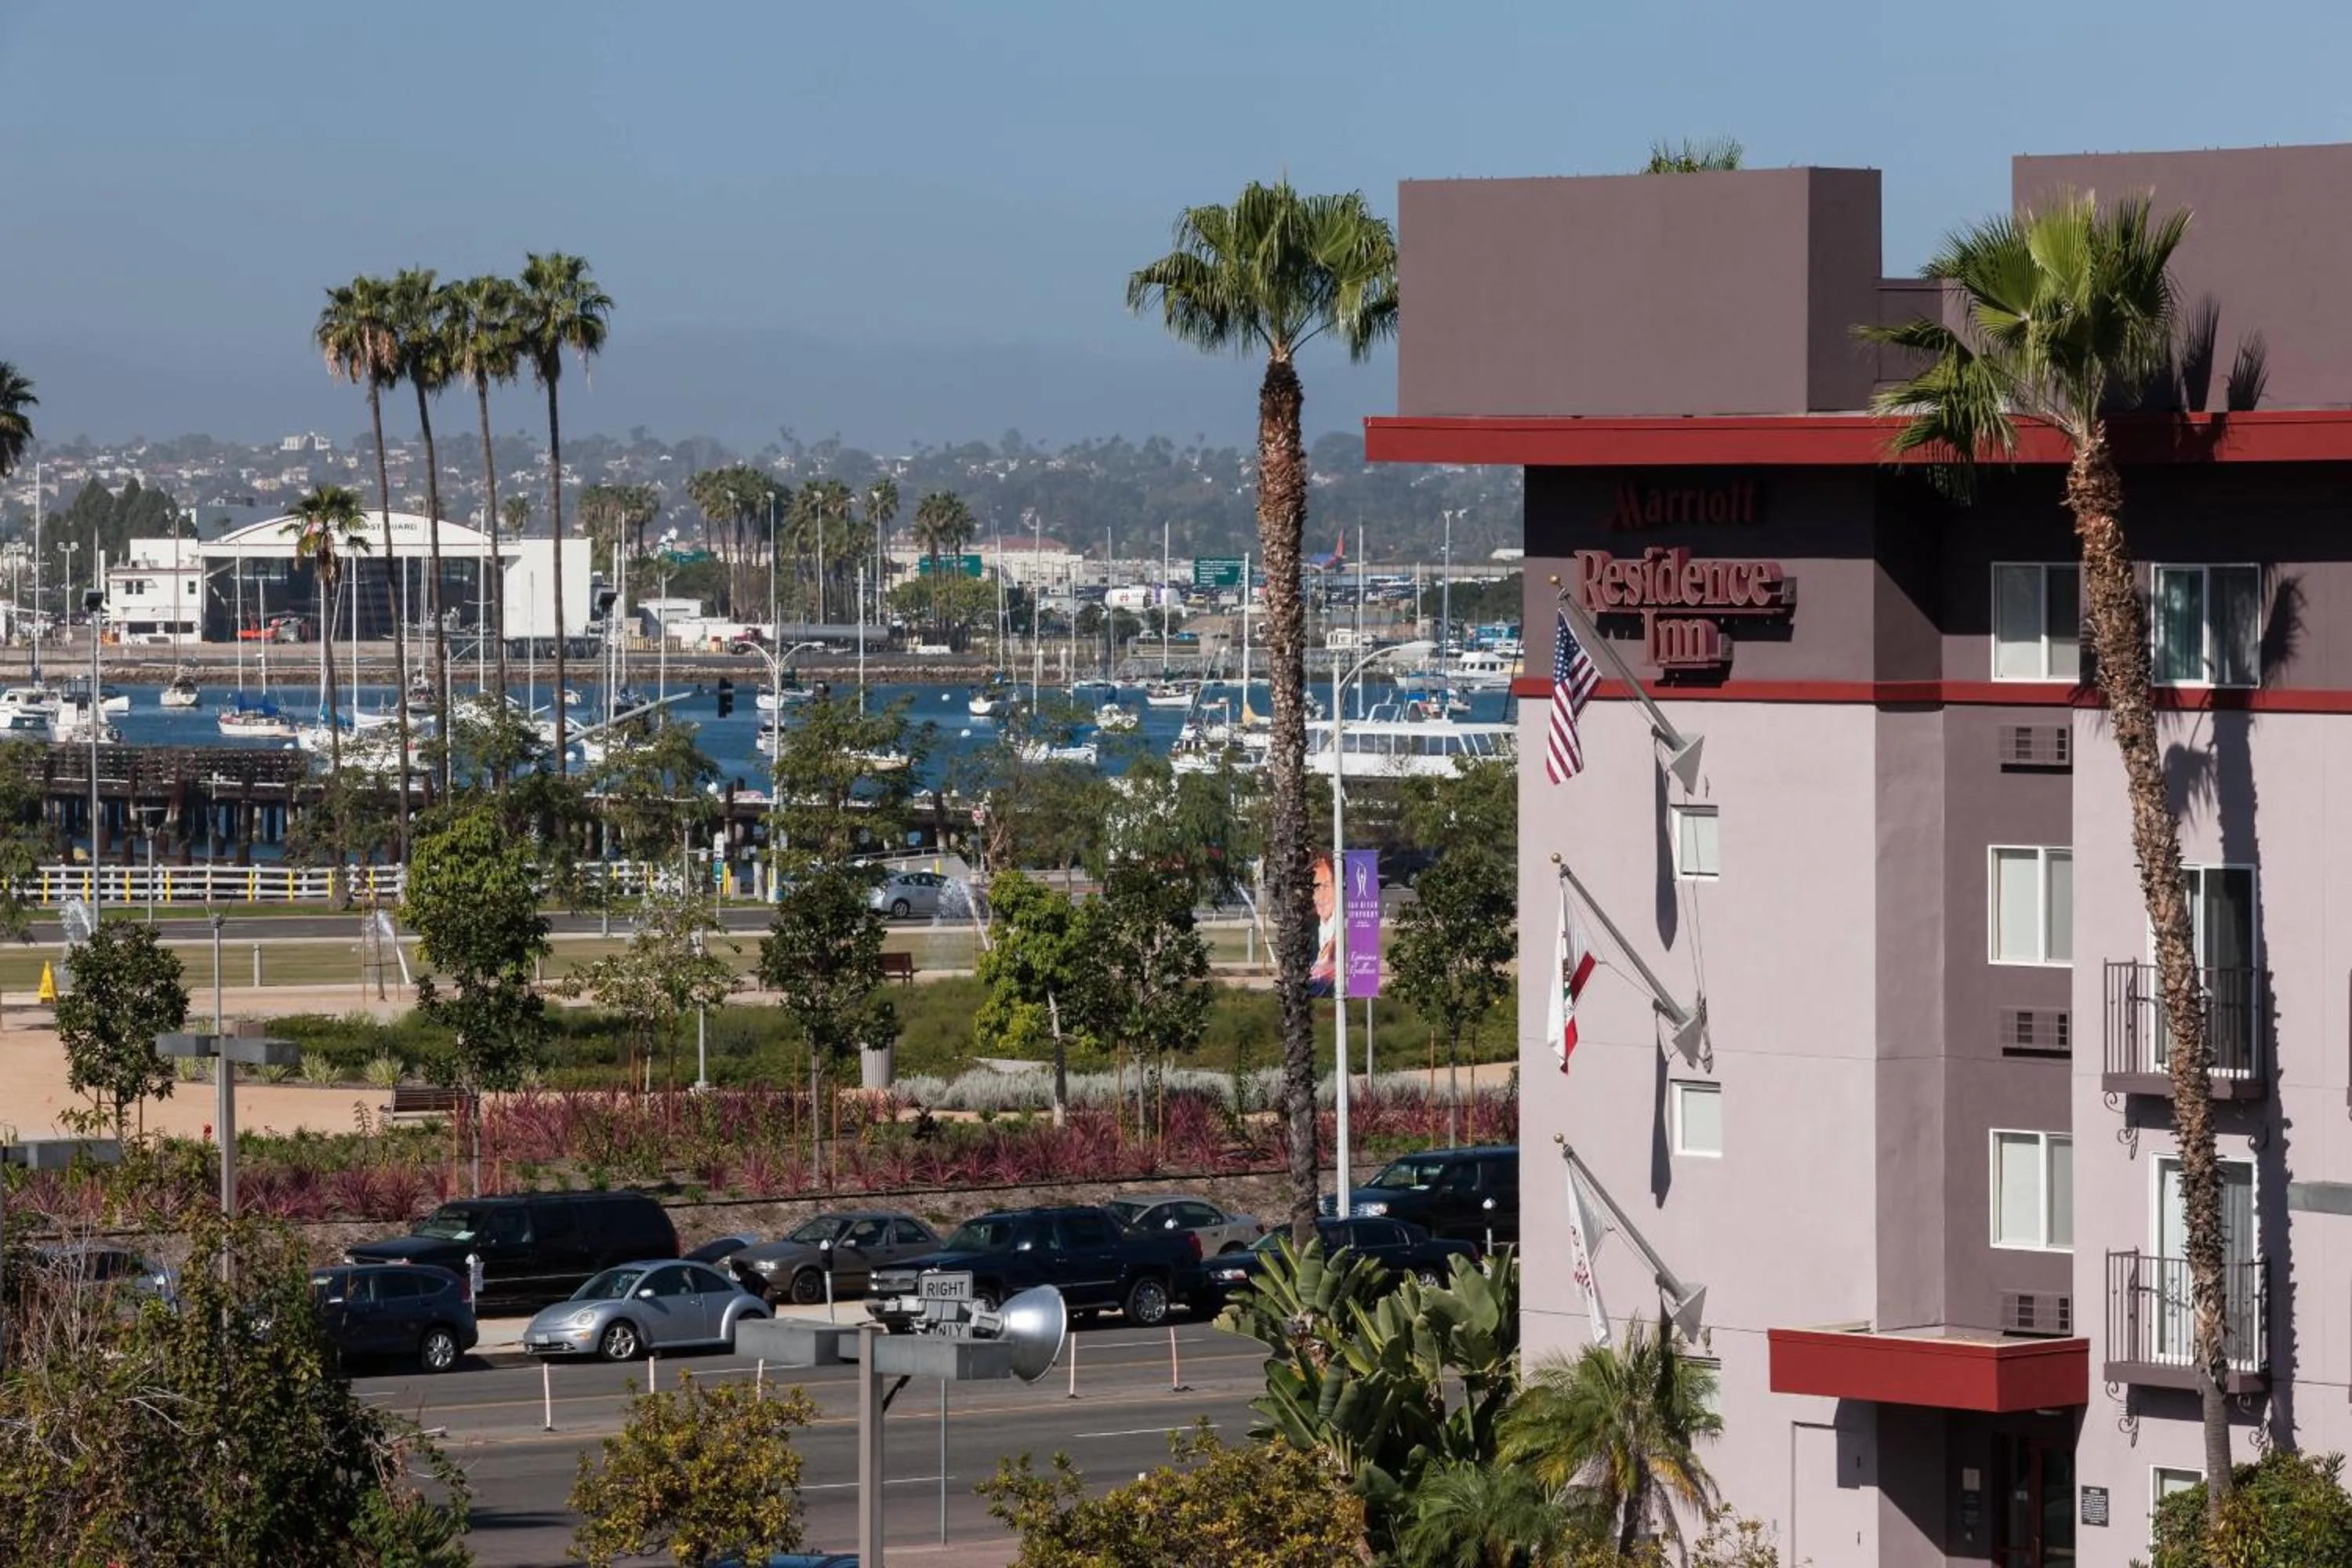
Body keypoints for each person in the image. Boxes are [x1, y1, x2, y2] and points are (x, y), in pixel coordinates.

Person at [1308, 852, 1338, 996]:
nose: (1321, 896)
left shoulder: (1347, 932)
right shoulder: (1307, 931)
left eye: (1325, 886)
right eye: (1316, 888)